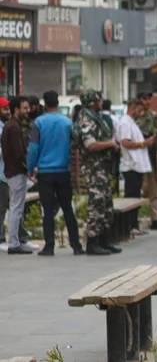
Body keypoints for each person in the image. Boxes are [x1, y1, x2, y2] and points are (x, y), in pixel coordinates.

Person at [28, 91, 82, 255]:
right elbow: (76, 142)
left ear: (45, 103)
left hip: (44, 172)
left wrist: (31, 169)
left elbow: (33, 148)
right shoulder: (67, 122)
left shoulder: (39, 122)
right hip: (63, 171)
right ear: (58, 103)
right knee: (67, 209)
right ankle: (76, 245)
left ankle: (49, 246)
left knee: (48, 211)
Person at [75, 90, 121, 255]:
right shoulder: (86, 119)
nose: (101, 102)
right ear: (92, 102)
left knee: (106, 204)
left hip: (102, 168)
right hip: (94, 168)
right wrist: (110, 144)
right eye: (98, 100)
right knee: (96, 205)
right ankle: (92, 242)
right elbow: (90, 145)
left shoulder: (95, 117)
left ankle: (103, 240)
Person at [117, 99, 154, 234]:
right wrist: (143, 144)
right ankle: (129, 225)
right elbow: (126, 143)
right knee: (130, 196)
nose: (141, 112)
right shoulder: (125, 122)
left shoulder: (132, 122)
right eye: (139, 109)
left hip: (136, 165)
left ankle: (134, 224)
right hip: (130, 165)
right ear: (132, 107)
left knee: (135, 196)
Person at [3, 96, 32, 254]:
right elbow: (18, 152)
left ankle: (17, 240)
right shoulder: (14, 127)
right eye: (25, 108)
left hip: (12, 171)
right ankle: (14, 243)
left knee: (17, 207)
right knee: (16, 207)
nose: (28, 111)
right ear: (16, 110)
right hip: (16, 171)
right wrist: (28, 166)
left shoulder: (11, 125)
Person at [134, 92, 157, 230]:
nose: (147, 102)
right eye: (145, 99)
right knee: (138, 186)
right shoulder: (135, 116)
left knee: (155, 185)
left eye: (148, 99)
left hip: (152, 152)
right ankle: (135, 219)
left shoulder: (153, 115)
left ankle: (155, 217)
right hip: (139, 153)